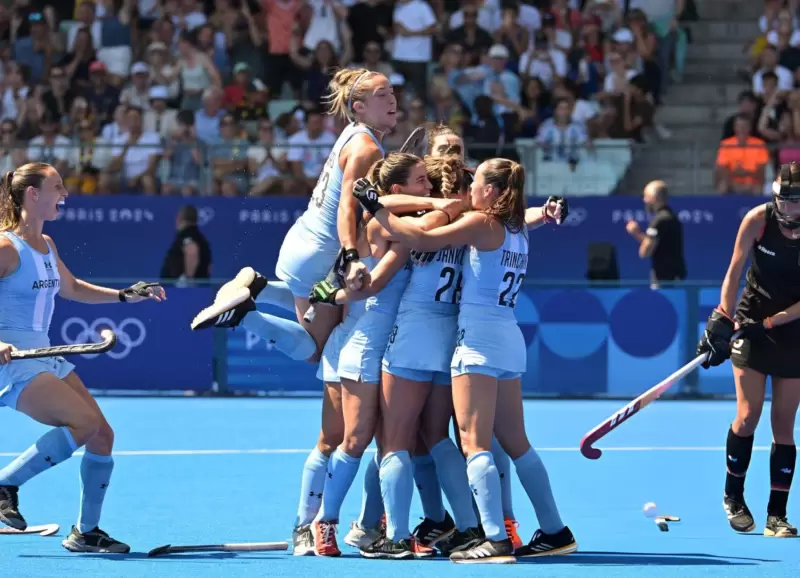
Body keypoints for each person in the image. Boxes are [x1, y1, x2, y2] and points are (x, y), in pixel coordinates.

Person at [352, 158, 577, 563]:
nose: (470, 187)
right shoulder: (516, 227)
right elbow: (518, 214)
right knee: (517, 442)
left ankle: (494, 538)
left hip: (476, 342)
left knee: (473, 443)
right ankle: (555, 530)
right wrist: (543, 213)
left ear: (490, 192)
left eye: (478, 182)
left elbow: (420, 240)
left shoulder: (481, 224)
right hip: (509, 338)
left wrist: (377, 207)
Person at [189, 69, 459, 363]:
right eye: (382, 95)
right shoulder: (366, 148)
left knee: (315, 304)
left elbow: (371, 199)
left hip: (304, 240)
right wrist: (352, 255)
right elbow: (348, 205)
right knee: (314, 350)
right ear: (359, 107)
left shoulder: (353, 134)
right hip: (319, 254)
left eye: (392, 93)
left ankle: (259, 287)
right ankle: (244, 316)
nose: (392, 100)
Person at [0, 162, 165, 553]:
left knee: (102, 434)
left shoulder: (48, 245)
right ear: (32, 195)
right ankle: (5, 484)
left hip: (44, 352)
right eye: (57, 187)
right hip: (12, 361)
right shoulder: (6, 248)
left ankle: (86, 532)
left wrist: (125, 295)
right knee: (84, 421)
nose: (65, 194)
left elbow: (72, 289)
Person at [305, 152, 456, 558]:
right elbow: (371, 286)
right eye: (421, 182)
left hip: (387, 344)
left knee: (389, 442)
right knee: (355, 440)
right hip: (365, 344)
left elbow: (384, 204)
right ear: (398, 189)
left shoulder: (393, 218)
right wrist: (441, 205)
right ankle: (325, 522)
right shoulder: (389, 230)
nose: (429, 188)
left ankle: (388, 529)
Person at [697, 162, 800, 538]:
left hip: (791, 331)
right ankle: (733, 496)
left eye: (798, 203)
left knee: (784, 424)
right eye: (785, 203)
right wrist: (722, 318)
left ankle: (777, 516)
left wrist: (770, 324)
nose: (791, 211)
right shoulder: (758, 219)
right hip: (750, 323)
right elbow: (734, 271)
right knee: (748, 413)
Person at [624, 180, 686, 289]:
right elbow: (655, 244)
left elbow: (645, 251)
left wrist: (636, 233)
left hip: (665, 280)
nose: (644, 200)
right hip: (673, 278)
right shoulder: (670, 217)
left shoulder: (660, 220)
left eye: (646, 196)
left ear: (653, 197)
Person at [159, 205, 212, 284]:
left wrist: (187, 280)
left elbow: (192, 253)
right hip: (196, 289)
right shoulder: (201, 239)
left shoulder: (187, 234)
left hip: (184, 291)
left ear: (179, 218)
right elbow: (209, 267)